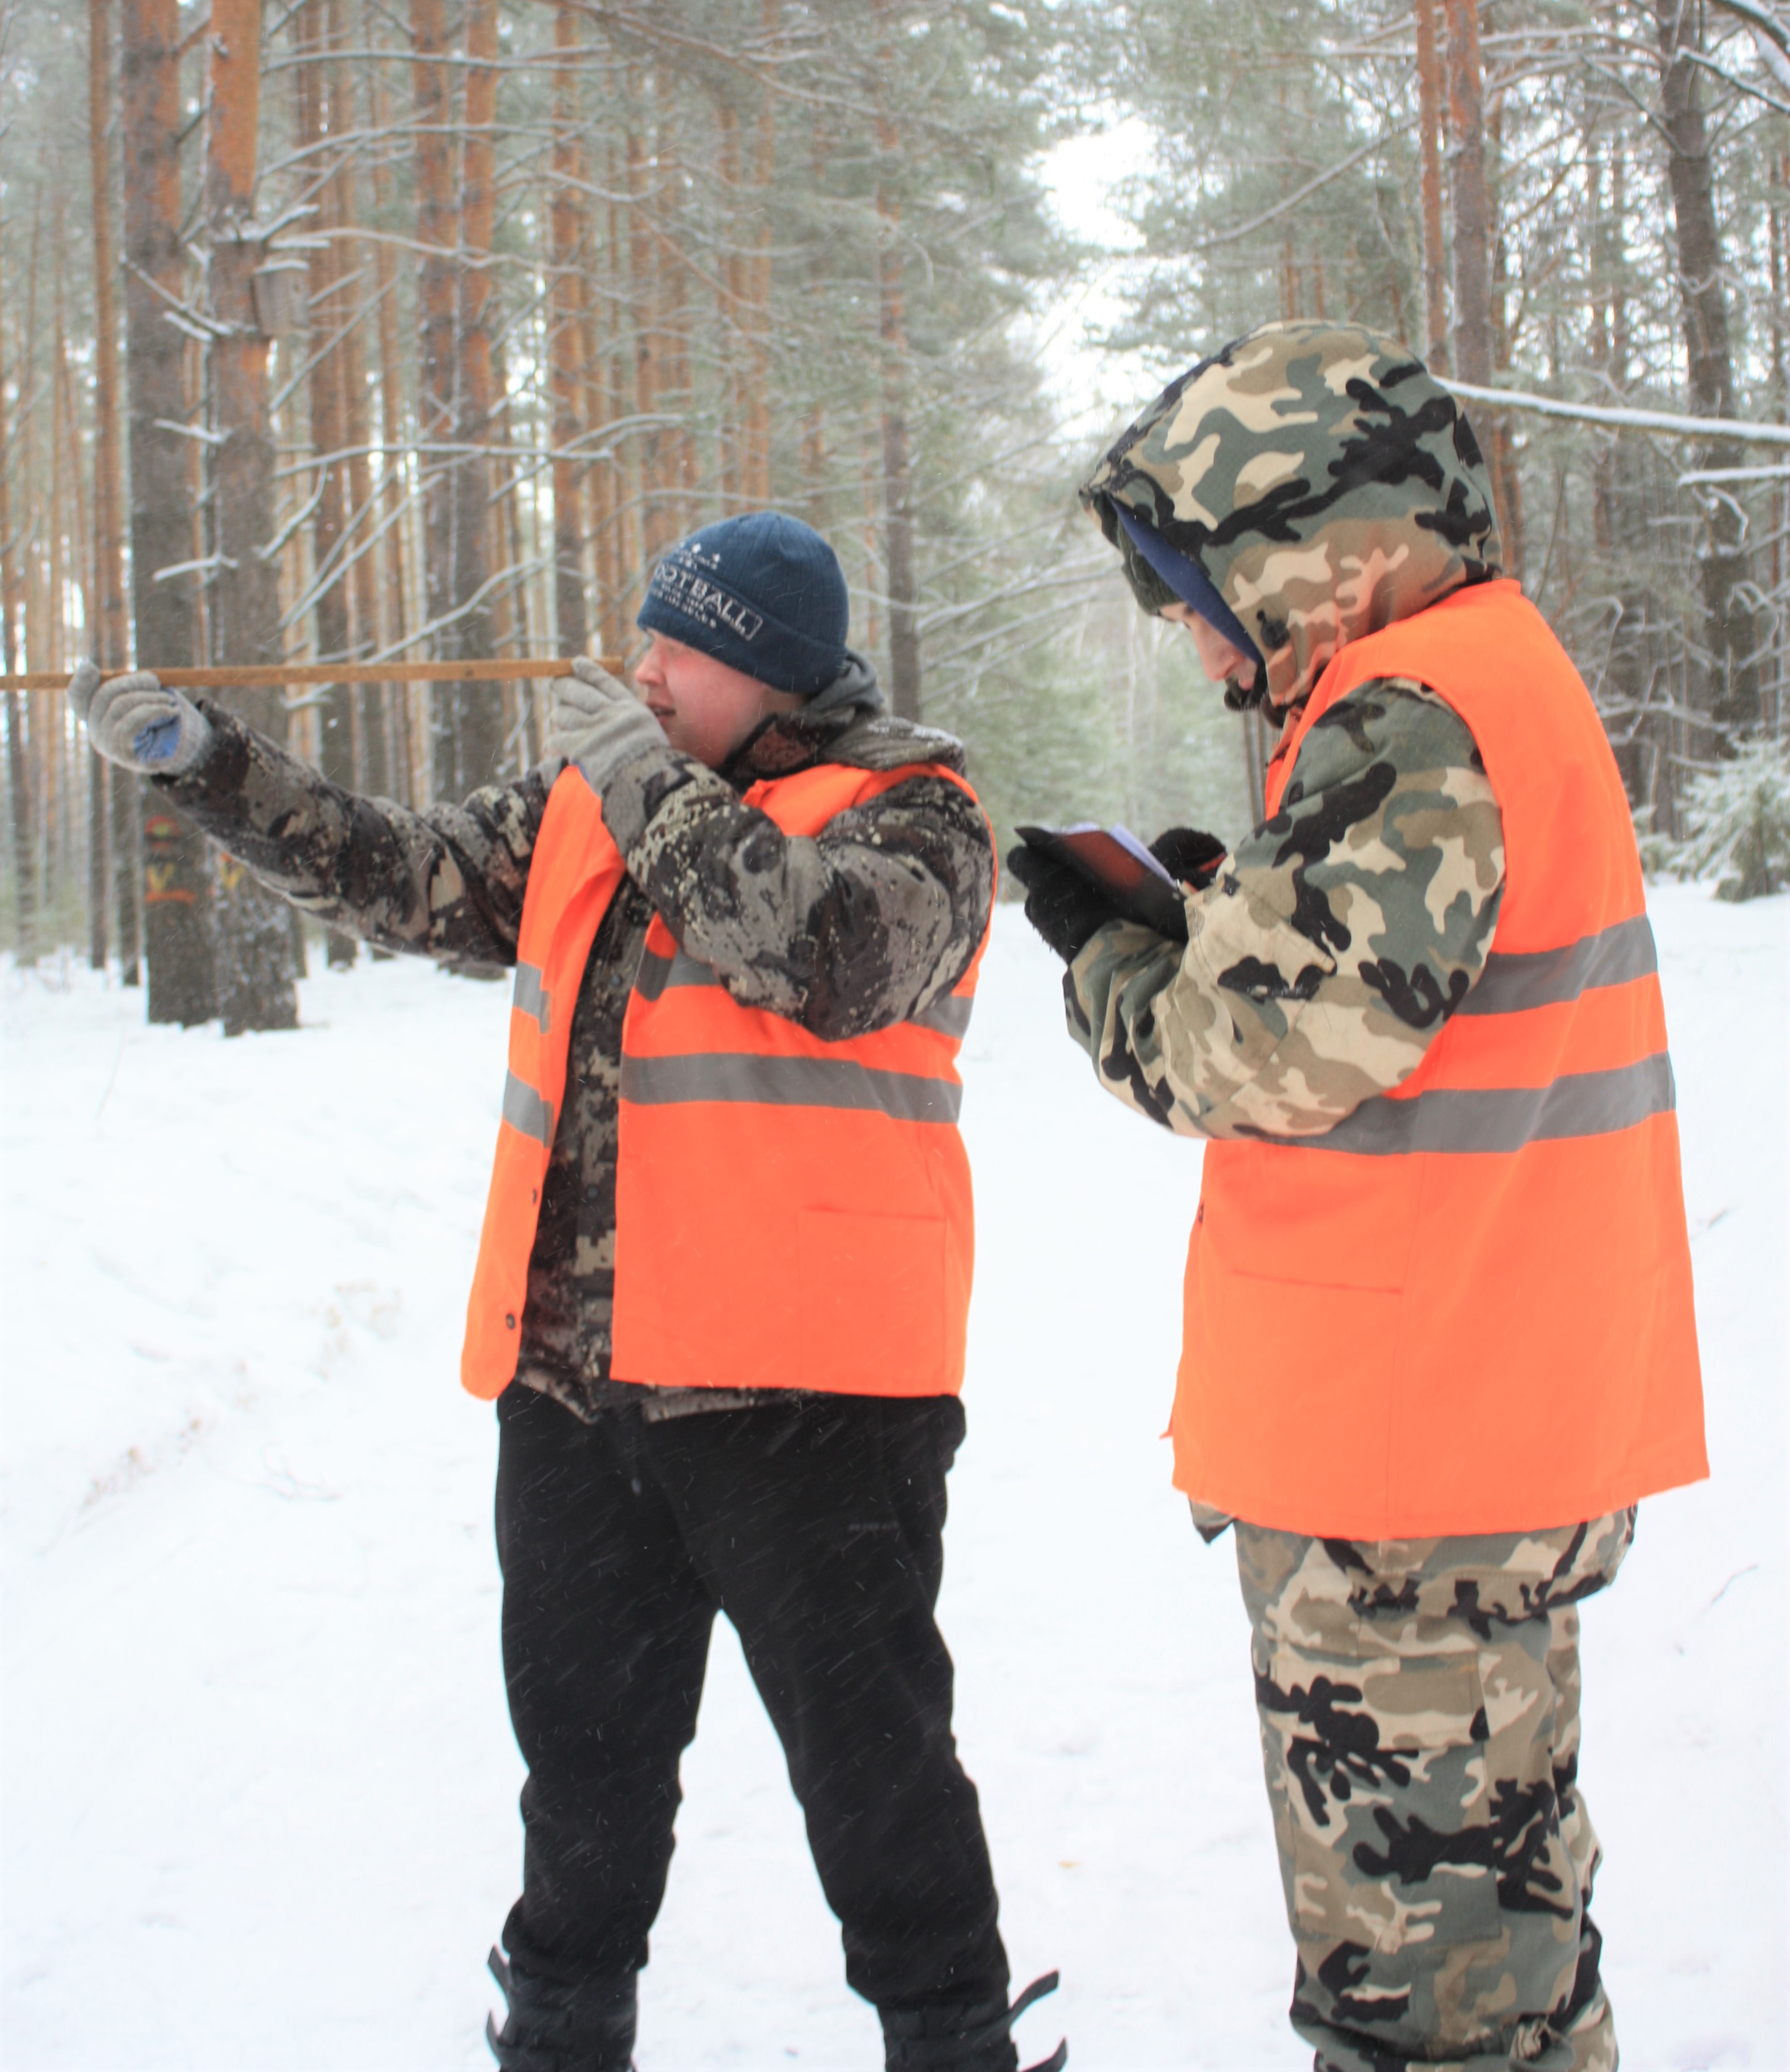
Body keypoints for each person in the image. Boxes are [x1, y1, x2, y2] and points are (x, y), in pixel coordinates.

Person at [72, 510, 1064, 2072]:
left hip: (808, 1397)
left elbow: (814, 955)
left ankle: (949, 2036)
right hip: (576, 1382)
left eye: (684, 652)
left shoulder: (913, 809)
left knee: (874, 1768)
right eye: (649, 640)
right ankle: (560, 2033)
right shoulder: (597, 800)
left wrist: (644, 779)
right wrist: (212, 763)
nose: (646, 671)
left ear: (772, 674)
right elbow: (404, 877)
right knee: (584, 1771)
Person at [1009, 323, 1706, 2072]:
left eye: (1197, 581)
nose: (1187, 626)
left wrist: (1106, 959)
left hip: (1418, 1466)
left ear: (1315, 541)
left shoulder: (1411, 715)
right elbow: (1397, 987)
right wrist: (1225, 910)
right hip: (1481, 1422)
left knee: (1434, 2005)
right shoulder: (1470, 675)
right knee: (1507, 1948)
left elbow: (1253, 1057)